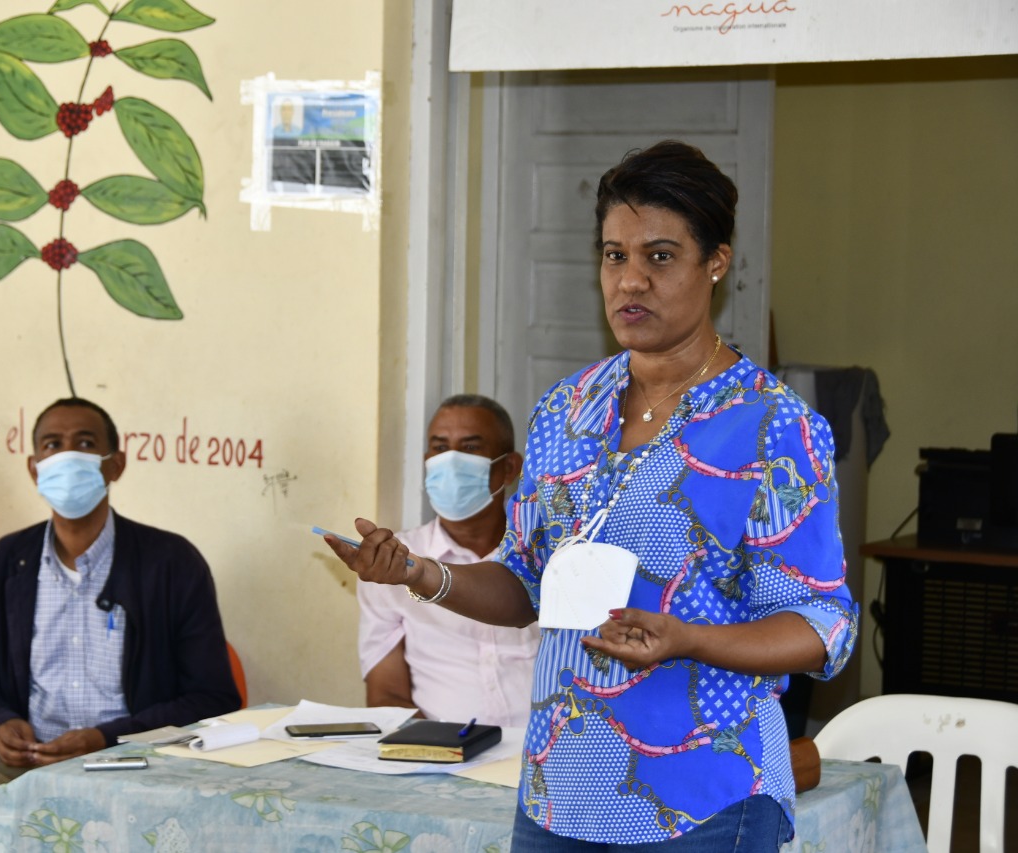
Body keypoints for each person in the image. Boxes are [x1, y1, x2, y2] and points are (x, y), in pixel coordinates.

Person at [325, 141, 857, 851]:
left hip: (703, 798)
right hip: (559, 791)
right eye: (614, 256)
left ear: (717, 262)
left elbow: (820, 624)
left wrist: (688, 639)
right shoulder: (567, 409)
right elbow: (526, 583)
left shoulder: (773, 426)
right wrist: (421, 573)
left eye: (660, 257)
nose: (631, 280)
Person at [0, 397, 241, 852]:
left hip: (141, 763)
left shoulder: (171, 563)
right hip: (26, 766)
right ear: (34, 467)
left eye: (85, 443)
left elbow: (214, 697)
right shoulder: (3, 565)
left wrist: (106, 738)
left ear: (115, 465)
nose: (66, 455)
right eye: (52, 445)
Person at [357, 394, 538, 727]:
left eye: (470, 448)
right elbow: (387, 697)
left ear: (509, 467)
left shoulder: (545, 554)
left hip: (542, 755)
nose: (451, 462)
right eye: (440, 449)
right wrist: (443, 752)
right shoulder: (394, 561)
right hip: (444, 758)